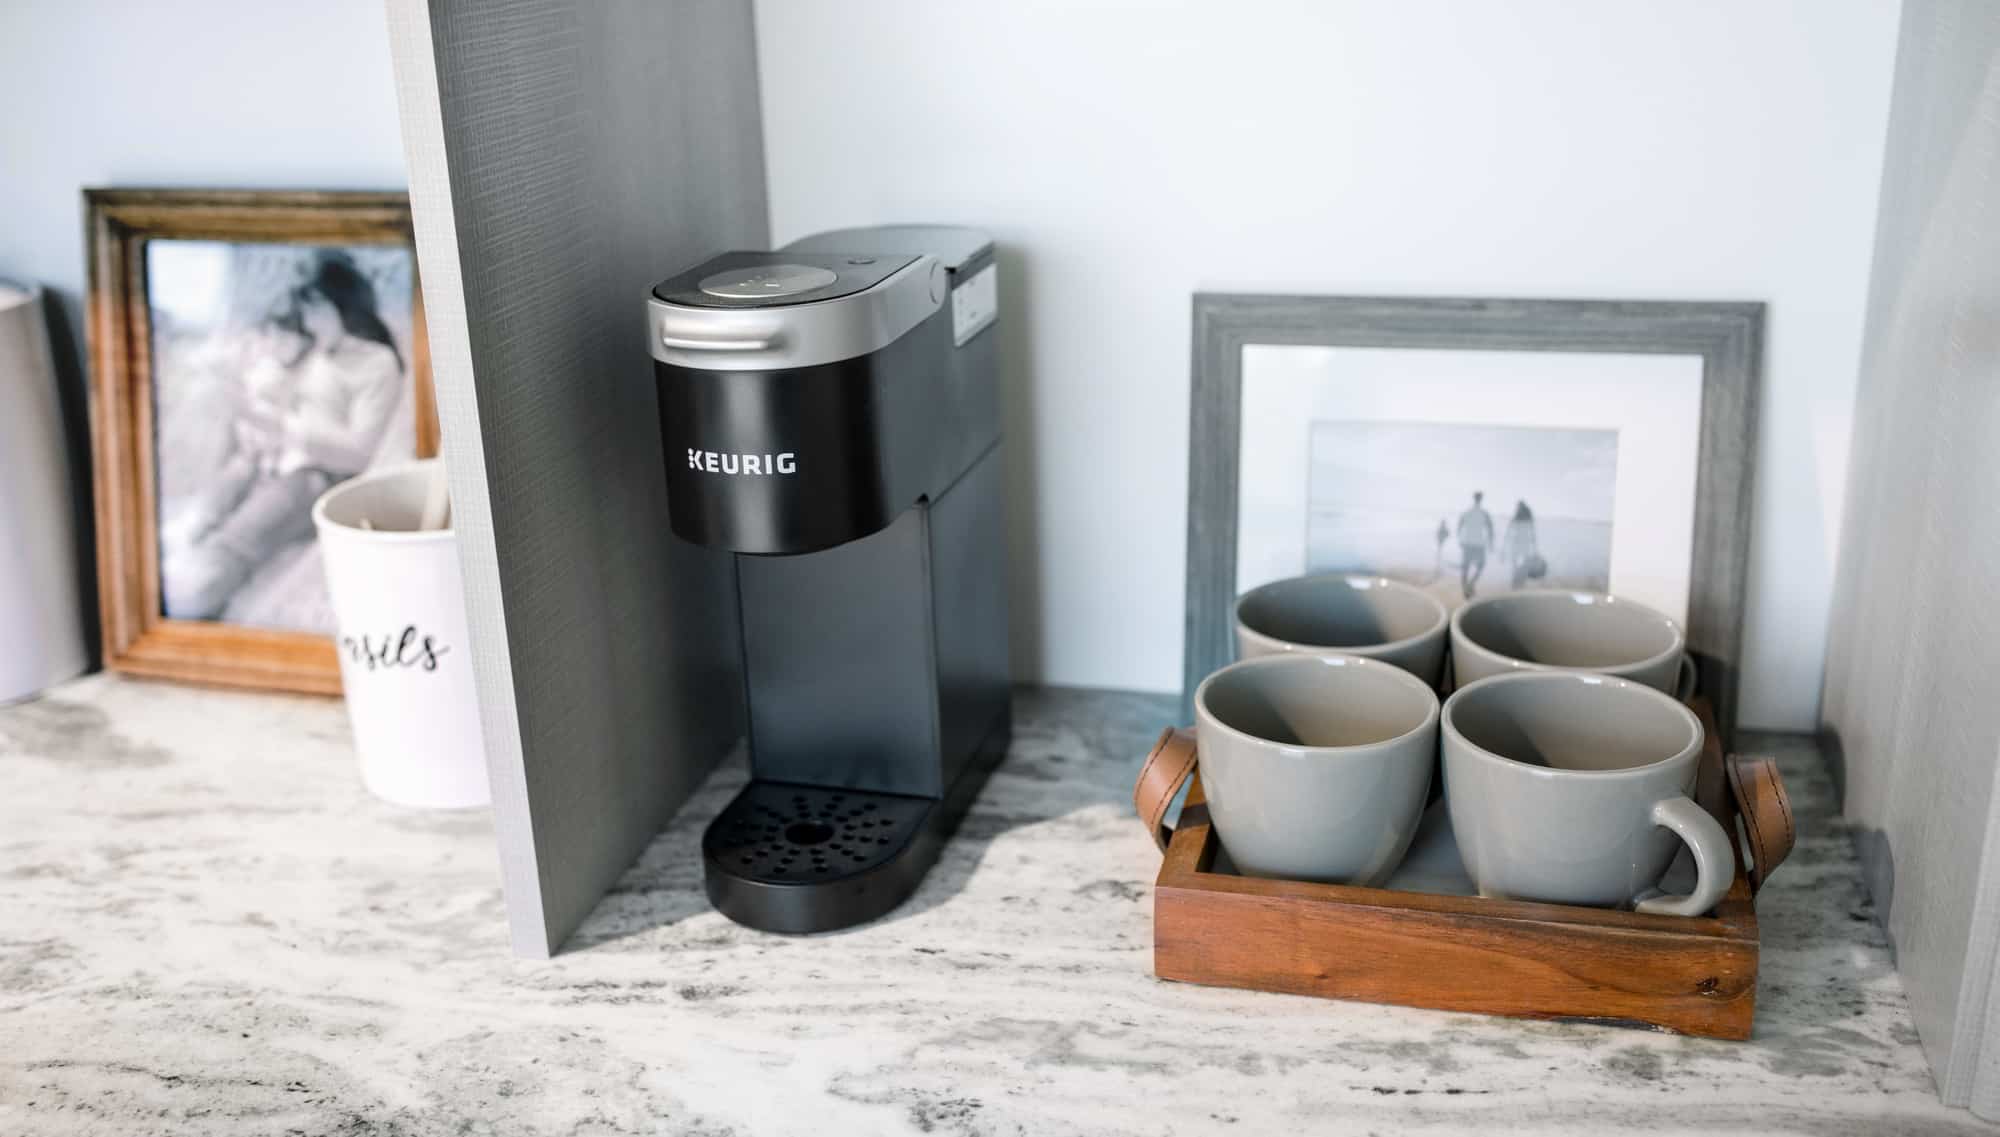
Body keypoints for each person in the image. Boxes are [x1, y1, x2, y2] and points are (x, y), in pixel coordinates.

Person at [161, 252, 405, 622]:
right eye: (303, 312)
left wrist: (285, 428)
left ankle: (198, 587)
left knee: (246, 534)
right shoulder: (314, 355)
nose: (308, 323)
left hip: (317, 477)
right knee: (215, 500)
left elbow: (362, 451)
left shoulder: (376, 363)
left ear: (340, 305)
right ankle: (185, 552)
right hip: (271, 461)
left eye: (315, 310)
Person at [1455, 491, 1494, 600]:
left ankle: (1466, 589)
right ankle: (1470, 585)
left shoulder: (1467, 512)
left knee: (1465, 568)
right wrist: (1491, 543)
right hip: (1478, 544)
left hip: (1467, 543)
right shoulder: (1484, 513)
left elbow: (1459, 526)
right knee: (1480, 566)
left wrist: (1460, 539)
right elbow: (1490, 529)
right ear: (1481, 499)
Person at [1502, 499, 1539, 589]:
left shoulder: (1518, 516)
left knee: (1517, 562)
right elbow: (1532, 531)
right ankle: (1518, 580)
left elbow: (1509, 530)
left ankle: (1517, 580)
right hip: (1521, 542)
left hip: (1519, 542)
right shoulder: (1525, 516)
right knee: (1519, 562)